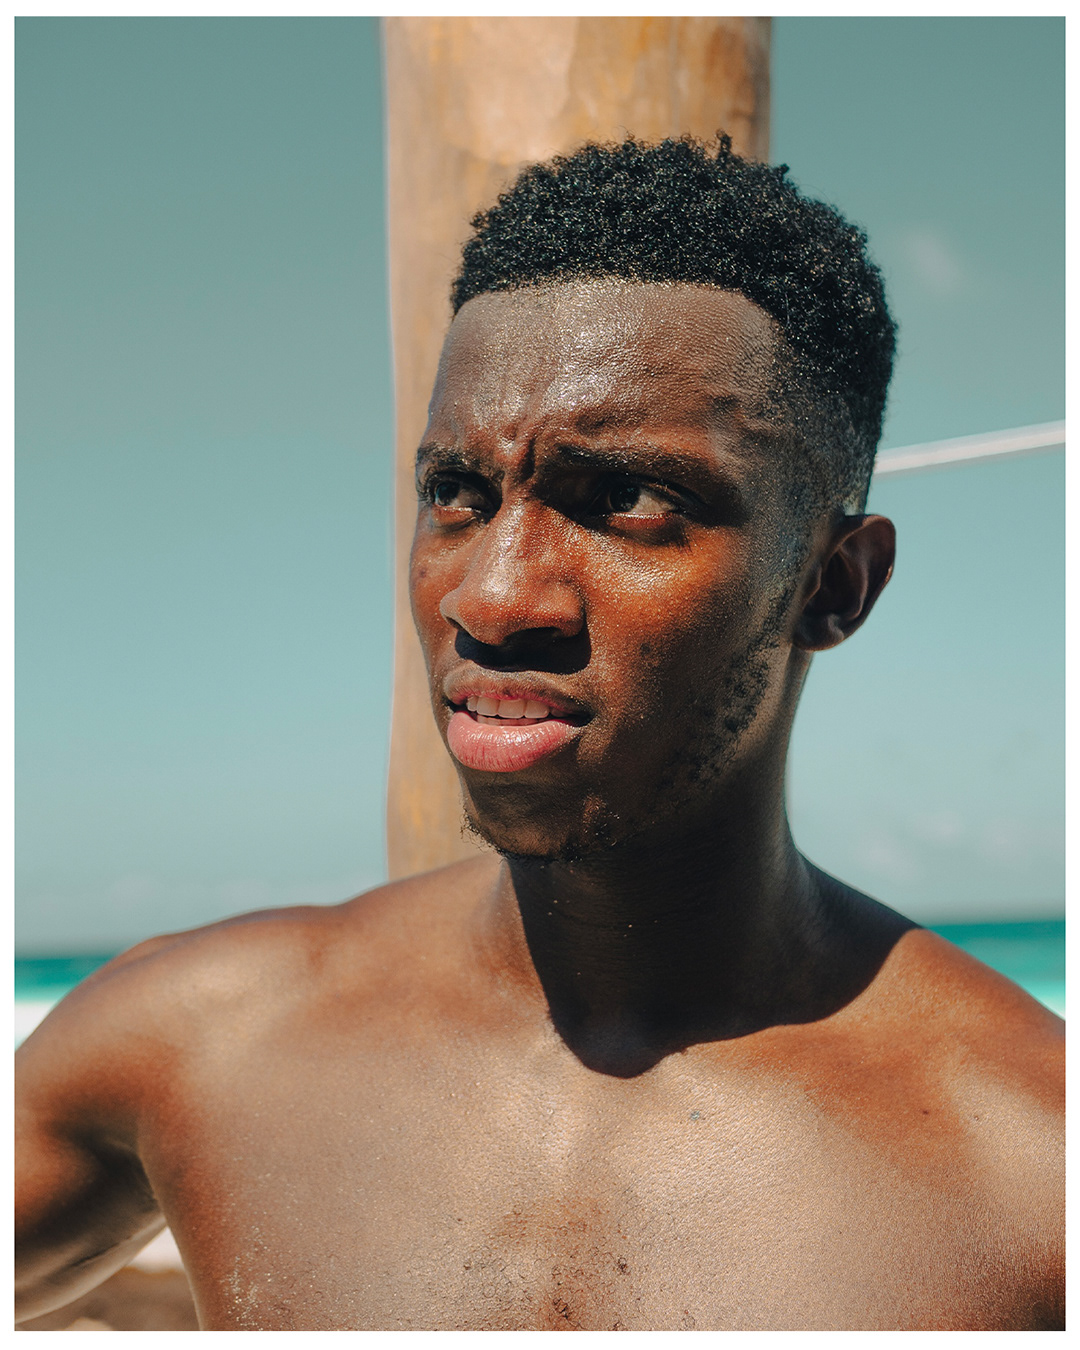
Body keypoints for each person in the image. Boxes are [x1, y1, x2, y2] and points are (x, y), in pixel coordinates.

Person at [15, 137, 1063, 1332]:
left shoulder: (1035, 1170)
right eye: (456, 494)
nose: (494, 597)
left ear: (835, 585)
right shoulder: (193, 1047)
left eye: (629, 500)